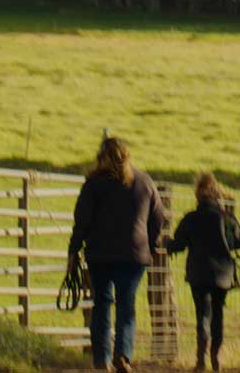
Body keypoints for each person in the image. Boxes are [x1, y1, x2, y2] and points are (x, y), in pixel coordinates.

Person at [69, 135, 168, 373]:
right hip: (134, 255)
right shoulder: (144, 182)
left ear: (101, 157)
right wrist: (152, 245)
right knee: (127, 304)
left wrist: (73, 250)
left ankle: (102, 359)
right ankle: (123, 355)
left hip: (100, 254)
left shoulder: (93, 185)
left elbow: (81, 221)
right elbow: (158, 218)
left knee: (101, 303)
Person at [166, 171, 240, 371]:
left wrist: (165, 242)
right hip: (223, 274)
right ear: (216, 192)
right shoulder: (226, 217)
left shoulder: (191, 218)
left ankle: (201, 360)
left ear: (197, 194)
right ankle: (215, 358)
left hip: (199, 273)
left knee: (202, 314)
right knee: (218, 315)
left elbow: (177, 245)